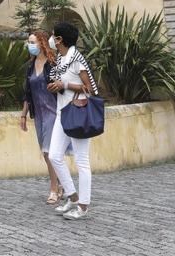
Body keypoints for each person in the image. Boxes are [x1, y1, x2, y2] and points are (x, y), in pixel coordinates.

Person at [47, 22, 99, 220]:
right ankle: (73, 197)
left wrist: (65, 84)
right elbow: (59, 83)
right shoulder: (60, 59)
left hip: (78, 114)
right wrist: (56, 86)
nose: (51, 39)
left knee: (81, 160)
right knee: (54, 156)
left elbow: (90, 89)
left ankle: (83, 206)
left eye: (53, 35)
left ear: (60, 39)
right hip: (62, 113)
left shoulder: (77, 59)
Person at [20, 30, 65, 204]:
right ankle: (61, 184)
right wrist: (23, 115)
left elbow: (61, 86)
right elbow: (27, 93)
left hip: (53, 113)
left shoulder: (52, 63)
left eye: (32, 42)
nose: (29, 45)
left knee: (48, 152)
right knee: (47, 153)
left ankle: (54, 189)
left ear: (42, 43)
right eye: (29, 42)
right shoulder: (30, 66)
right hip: (38, 114)